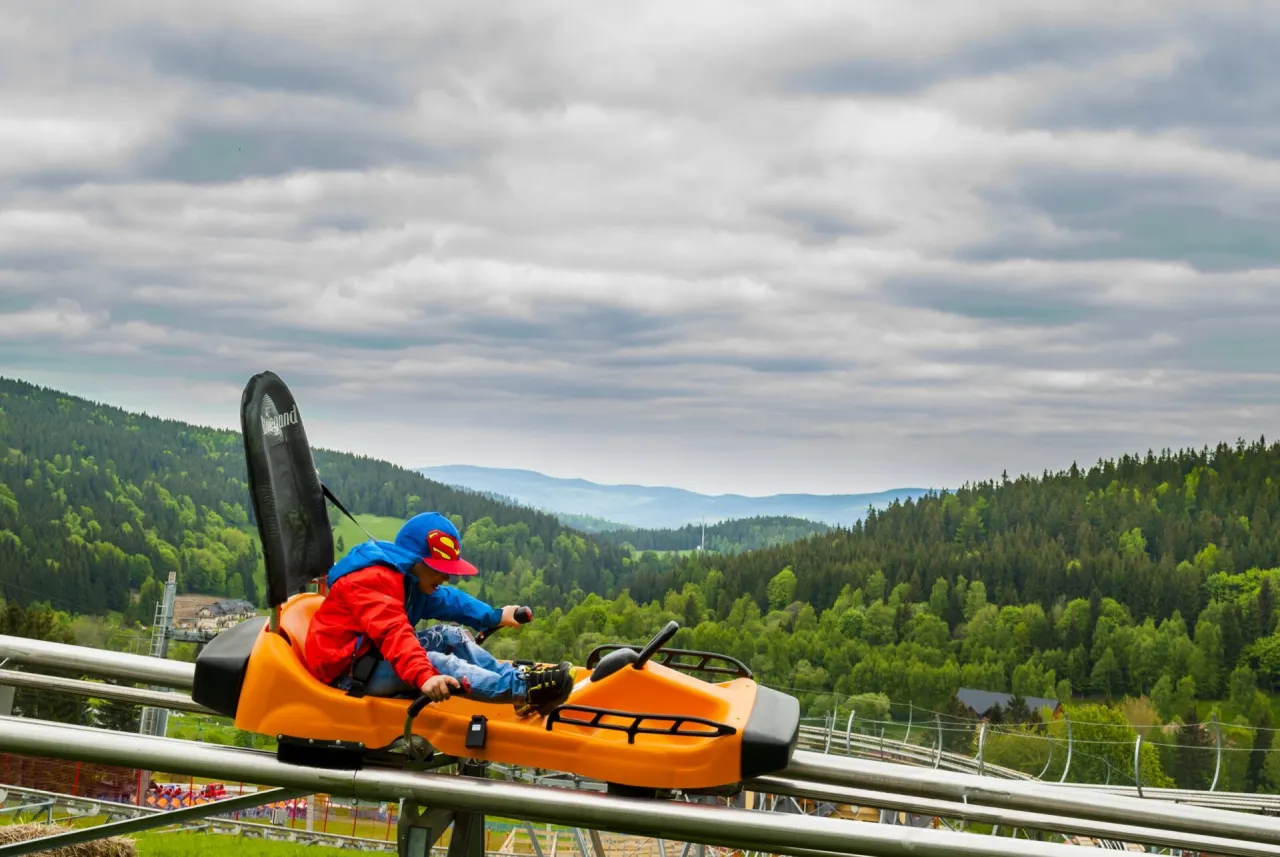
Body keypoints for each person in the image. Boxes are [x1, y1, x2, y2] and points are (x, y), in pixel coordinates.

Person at [303, 511, 573, 717]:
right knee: (437, 663)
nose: (446, 577)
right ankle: (524, 691)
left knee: (450, 635)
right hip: (348, 673)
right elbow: (393, 633)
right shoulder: (372, 580)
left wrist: (494, 615)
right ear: (415, 560)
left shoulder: (410, 579)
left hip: (373, 655)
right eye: (439, 569)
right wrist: (425, 675)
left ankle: (514, 680)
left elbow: (449, 600)